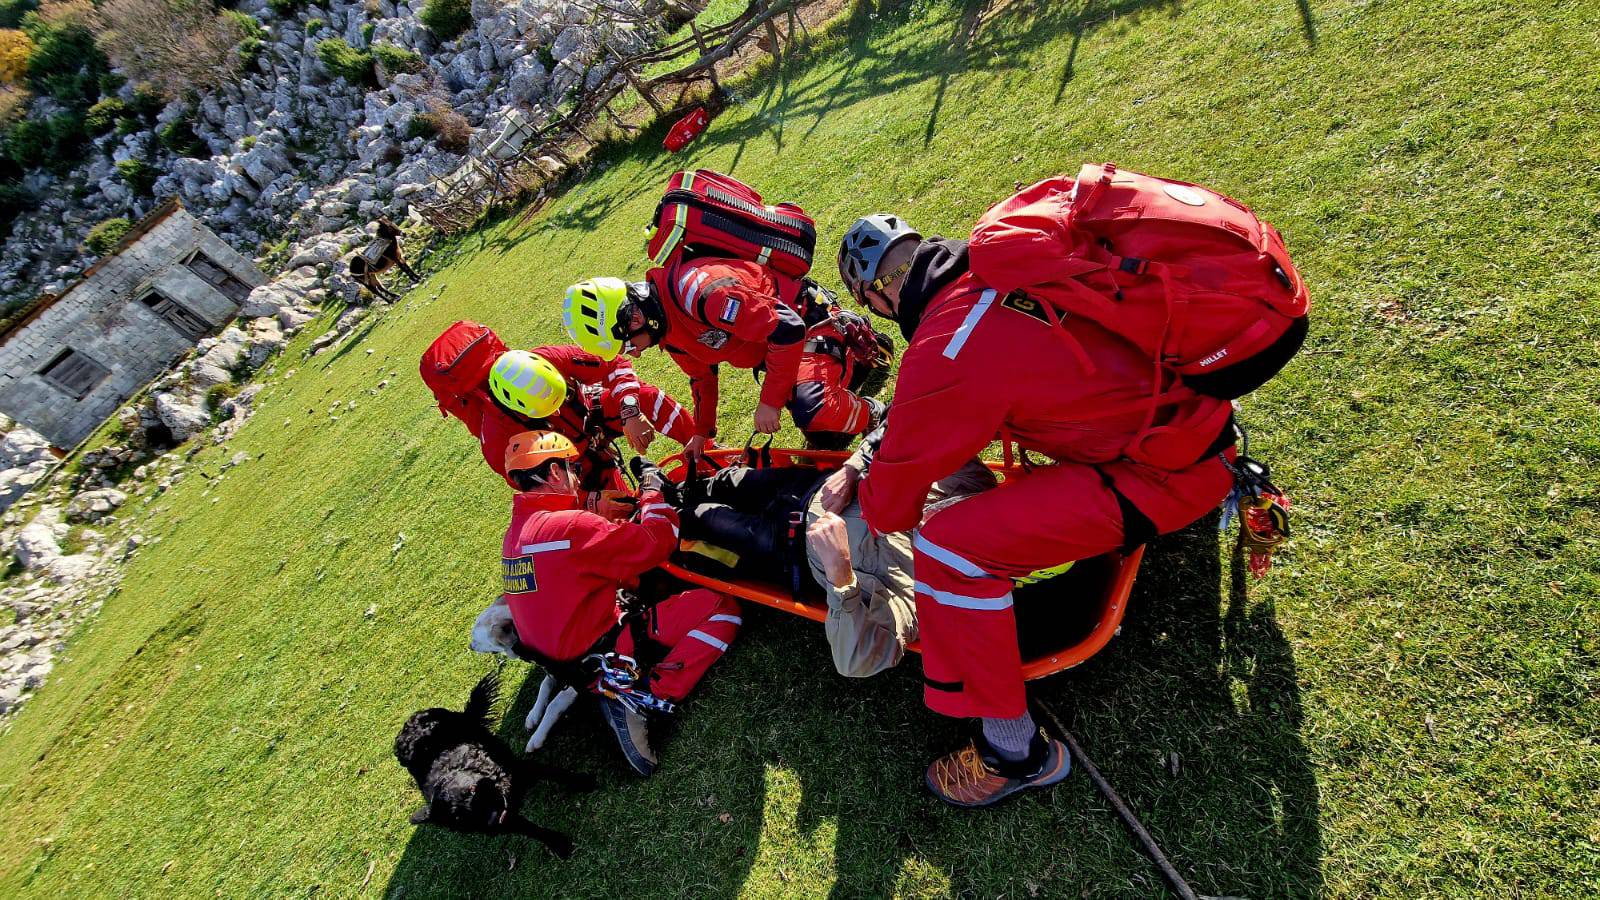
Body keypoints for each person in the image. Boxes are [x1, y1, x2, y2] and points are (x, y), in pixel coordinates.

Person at [836, 214, 1239, 807]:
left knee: (947, 548)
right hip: (1197, 423)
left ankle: (1015, 754)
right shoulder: (999, 265)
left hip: (1165, 473)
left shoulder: (943, 347)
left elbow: (893, 510)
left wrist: (871, 475)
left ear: (874, 295)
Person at [498, 431, 741, 776]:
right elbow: (658, 541)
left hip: (566, 660)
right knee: (722, 608)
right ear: (553, 473)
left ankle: (616, 684)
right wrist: (653, 494)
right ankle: (640, 695)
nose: (577, 476)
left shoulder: (515, 537)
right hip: (603, 653)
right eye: (573, 468)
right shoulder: (568, 527)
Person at [672, 431, 995, 678]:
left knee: (702, 517)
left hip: (787, 548)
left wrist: (841, 574)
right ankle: (682, 491)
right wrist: (853, 469)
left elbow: (854, 660)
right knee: (727, 482)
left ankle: (666, 511)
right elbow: (908, 420)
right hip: (808, 485)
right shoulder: (970, 484)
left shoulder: (924, 591)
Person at [561, 275, 887, 453]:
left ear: (633, 316)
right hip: (783, 351)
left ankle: (877, 412)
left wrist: (771, 403)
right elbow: (702, 379)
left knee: (812, 409)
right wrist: (701, 434)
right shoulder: (668, 331)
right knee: (828, 441)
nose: (632, 353)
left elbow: (788, 328)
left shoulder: (702, 295)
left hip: (808, 325)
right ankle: (851, 370)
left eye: (627, 343)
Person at [425, 320, 694, 511]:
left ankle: (702, 448)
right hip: (571, 465)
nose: (555, 410)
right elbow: (542, 494)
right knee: (621, 513)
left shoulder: (549, 357)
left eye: (559, 397)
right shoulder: (500, 443)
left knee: (644, 396)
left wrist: (630, 410)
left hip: (590, 414)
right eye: (546, 411)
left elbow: (613, 364)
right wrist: (590, 500)